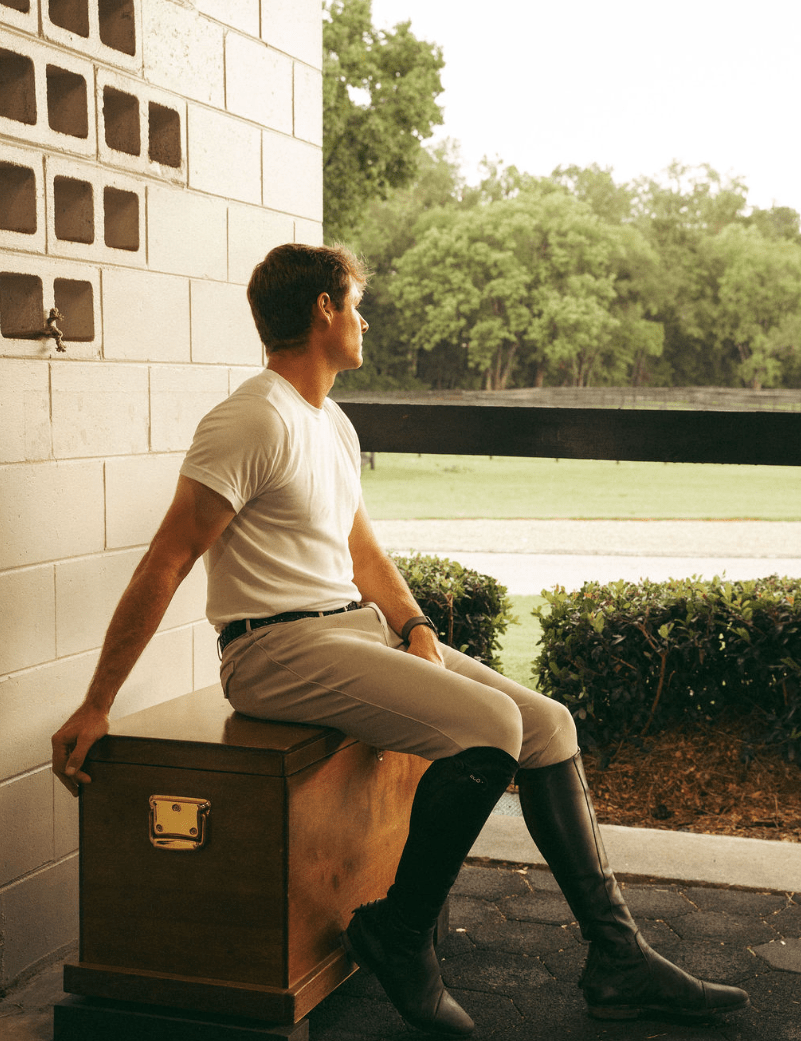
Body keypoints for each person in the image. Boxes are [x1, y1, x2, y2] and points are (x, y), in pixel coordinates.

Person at [52, 243, 748, 1037]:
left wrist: (414, 626)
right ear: (323, 309)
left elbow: (364, 557)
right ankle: (398, 931)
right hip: (270, 651)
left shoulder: (330, 423)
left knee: (547, 724)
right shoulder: (250, 418)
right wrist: (96, 703)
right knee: (491, 727)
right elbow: (168, 558)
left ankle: (617, 957)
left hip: (347, 630)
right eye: (355, 303)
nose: (365, 320)